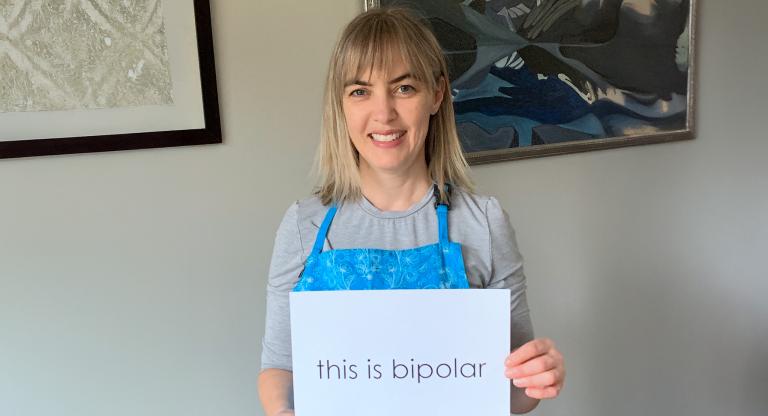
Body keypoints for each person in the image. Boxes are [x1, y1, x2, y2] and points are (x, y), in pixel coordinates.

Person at [258, 7, 565, 416]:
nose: (383, 114)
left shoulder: (483, 222)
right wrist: (283, 412)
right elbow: (279, 366)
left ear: (437, 94)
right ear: (341, 104)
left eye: (403, 88)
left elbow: (510, 391)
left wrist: (538, 378)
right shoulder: (304, 225)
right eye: (360, 91)